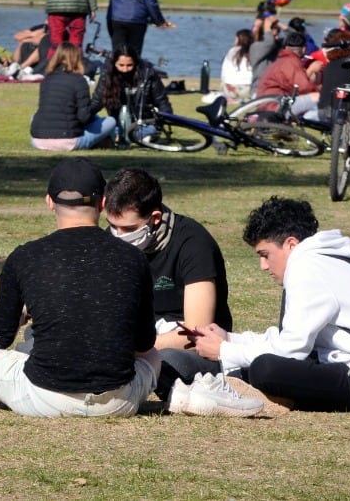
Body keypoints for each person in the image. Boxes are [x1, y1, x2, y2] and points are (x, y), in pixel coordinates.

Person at [0, 157, 161, 418]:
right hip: (118, 402)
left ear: (49, 202)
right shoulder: (134, 258)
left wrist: (23, 314)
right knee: (155, 357)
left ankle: (6, 394)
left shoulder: (26, 257)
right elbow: (144, 344)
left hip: (45, 397)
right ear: (103, 203)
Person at [194, 196, 350, 412]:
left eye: (265, 254)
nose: (263, 265)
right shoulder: (322, 261)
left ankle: (241, 386)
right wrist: (232, 339)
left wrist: (225, 351)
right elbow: (289, 337)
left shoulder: (307, 269)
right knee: (265, 365)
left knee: (265, 370)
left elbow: (290, 351)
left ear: (291, 244)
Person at [102, 169, 244, 404]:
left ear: (155, 218)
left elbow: (197, 331)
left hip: (181, 346)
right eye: (112, 226)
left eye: (128, 230)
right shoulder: (110, 240)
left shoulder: (193, 243)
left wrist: (130, 346)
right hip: (133, 336)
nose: (117, 236)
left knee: (168, 362)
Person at [30, 42, 116, 151]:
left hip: (38, 141)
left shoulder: (46, 80)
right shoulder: (79, 81)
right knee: (111, 121)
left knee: (34, 116)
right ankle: (111, 142)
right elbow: (83, 117)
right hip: (68, 142)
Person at [90, 45, 171, 142]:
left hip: (143, 123)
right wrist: (80, 119)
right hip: (116, 123)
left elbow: (161, 101)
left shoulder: (148, 74)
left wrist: (166, 120)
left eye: (129, 65)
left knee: (151, 130)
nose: (125, 70)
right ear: (115, 63)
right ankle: (126, 136)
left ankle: (120, 136)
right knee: (98, 121)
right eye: (121, 65)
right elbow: (96, 103)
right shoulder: (107, 75)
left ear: (136, 63)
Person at [254, 30, 321, 119]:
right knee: (318, 97)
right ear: (304, 49)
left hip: (267, 104)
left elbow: (295, 86)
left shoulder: (281, 60)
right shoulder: (290, 62)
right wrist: (313, 71)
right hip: (275, 106)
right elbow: (304, 88)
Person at [220, 29, 254, 101]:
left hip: (230, 89)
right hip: (249, 89)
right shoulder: (255, 52)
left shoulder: (232, 51)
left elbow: (224, 72)